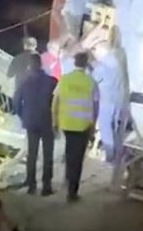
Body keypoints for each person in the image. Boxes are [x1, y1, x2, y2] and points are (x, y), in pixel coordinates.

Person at [52, 52, 99, 202]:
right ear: (86, 64)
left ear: (74, 63)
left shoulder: (64, 79)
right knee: (77, 158)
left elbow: (55, 101)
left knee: (69, 152)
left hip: (66, 123)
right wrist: (93, 125)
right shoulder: (91, 82)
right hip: (83, 126)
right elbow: (95, 106)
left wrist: (54, 121)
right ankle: (72, 191)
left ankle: (67, 179)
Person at [13, 53, 57, 196]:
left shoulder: (24, 82)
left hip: (31, 122)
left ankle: (31, 185)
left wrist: (23, 116)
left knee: (32, 154)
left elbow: (16, 102)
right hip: (47, 121)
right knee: (48, 154)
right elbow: (58, 101)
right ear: (41, 64)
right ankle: (46, 186)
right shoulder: (52, 81)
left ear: (30, 66)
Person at [91, 41, 127, 162]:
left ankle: (109, 155)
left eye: (95, 50)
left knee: (105, 128)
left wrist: (92, 67)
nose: (94, 54)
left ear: (101, 50)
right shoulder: (115, 61)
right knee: (115, 128)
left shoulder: (102, 65)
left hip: (106, 101)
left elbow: (94, 78)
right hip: (117, 99)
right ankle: (119, 154)